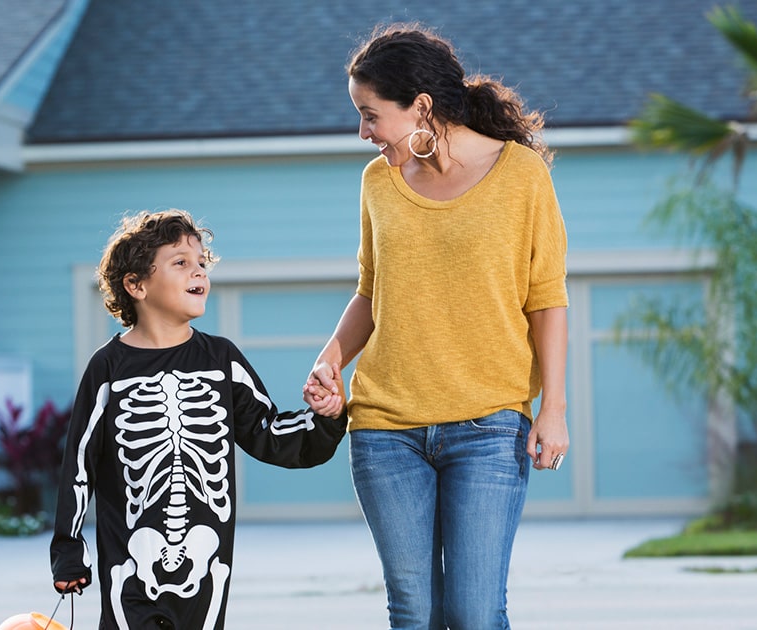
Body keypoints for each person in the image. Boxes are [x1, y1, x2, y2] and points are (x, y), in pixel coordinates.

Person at [304, 23, 569, 630]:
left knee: (475, 613)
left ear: (420, 107)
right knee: (414, 613)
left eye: (371, 116)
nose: (363, 133)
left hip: (490, 426)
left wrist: (552, 408)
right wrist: (330, 359)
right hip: (386, 430)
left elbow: (546, 298)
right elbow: (372, 292)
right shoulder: (378, 183)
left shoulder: (522, 176)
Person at [50, 209, 348, 630]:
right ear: (136, 285)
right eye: (181, 263)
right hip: (130, 565)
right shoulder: (108, 368)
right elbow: (78, 465)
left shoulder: (221, 359)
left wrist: (325, 418)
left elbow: (269, 434)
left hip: (205, 569)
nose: (200, 272)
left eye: (202, 263)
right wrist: (67, 550)